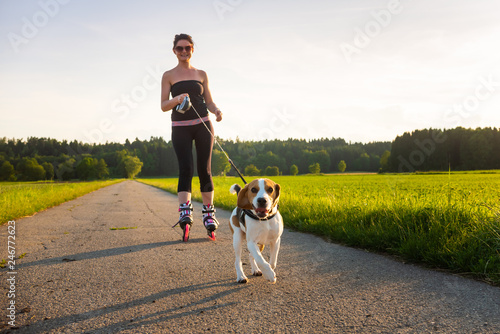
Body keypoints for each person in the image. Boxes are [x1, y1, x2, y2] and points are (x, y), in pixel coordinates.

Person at [161, 33, 223, 241]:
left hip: (203, 125)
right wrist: (177, 98)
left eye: (187, 48)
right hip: (180, 127)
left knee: (204, 169)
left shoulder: (201, 74)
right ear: (174, 51)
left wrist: (216, 111)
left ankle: (209, 215)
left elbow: (209, 101)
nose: (184, 52)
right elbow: (163, 106)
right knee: (186, 169)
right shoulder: (168, 75)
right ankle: (185, 213)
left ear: (192, 49)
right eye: (180, 49)